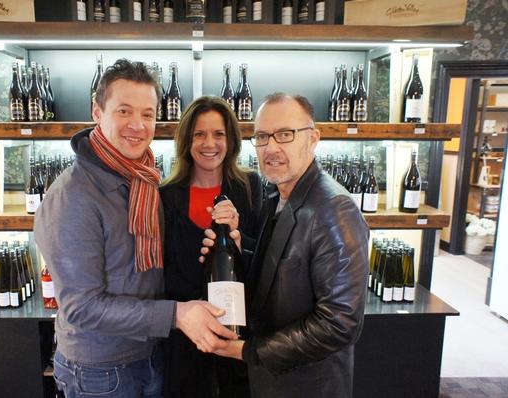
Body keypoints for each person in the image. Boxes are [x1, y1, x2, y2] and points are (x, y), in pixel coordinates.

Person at [34, 59, 237, 398]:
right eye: (124, 111)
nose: (138, 126)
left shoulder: (141, 179)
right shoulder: (74, 195)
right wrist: (177, 314)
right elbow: (81, 307)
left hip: (147, 353)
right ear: (97, 112)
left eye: (147, 114)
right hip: (100, 369)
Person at [201, 93, 369, 398]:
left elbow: (340, 323)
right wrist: (241, 247)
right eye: (262, 136)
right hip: (271, 382)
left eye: (285, 135)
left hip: (306, 386)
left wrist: (249, 351)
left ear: (313, 139)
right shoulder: (278, 194)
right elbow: (282, 265)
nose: (271, 147)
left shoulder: (334, 209)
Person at [160, 96, 263, 398]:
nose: (210, 143)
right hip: (185, 337)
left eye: (219, 134)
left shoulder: (249, 186)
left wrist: (238, 236)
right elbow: (161, 269)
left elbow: (263, 258)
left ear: (231, 139)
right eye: (199, 134)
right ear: (186, 141)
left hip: (236, 333)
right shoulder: (166, 196)